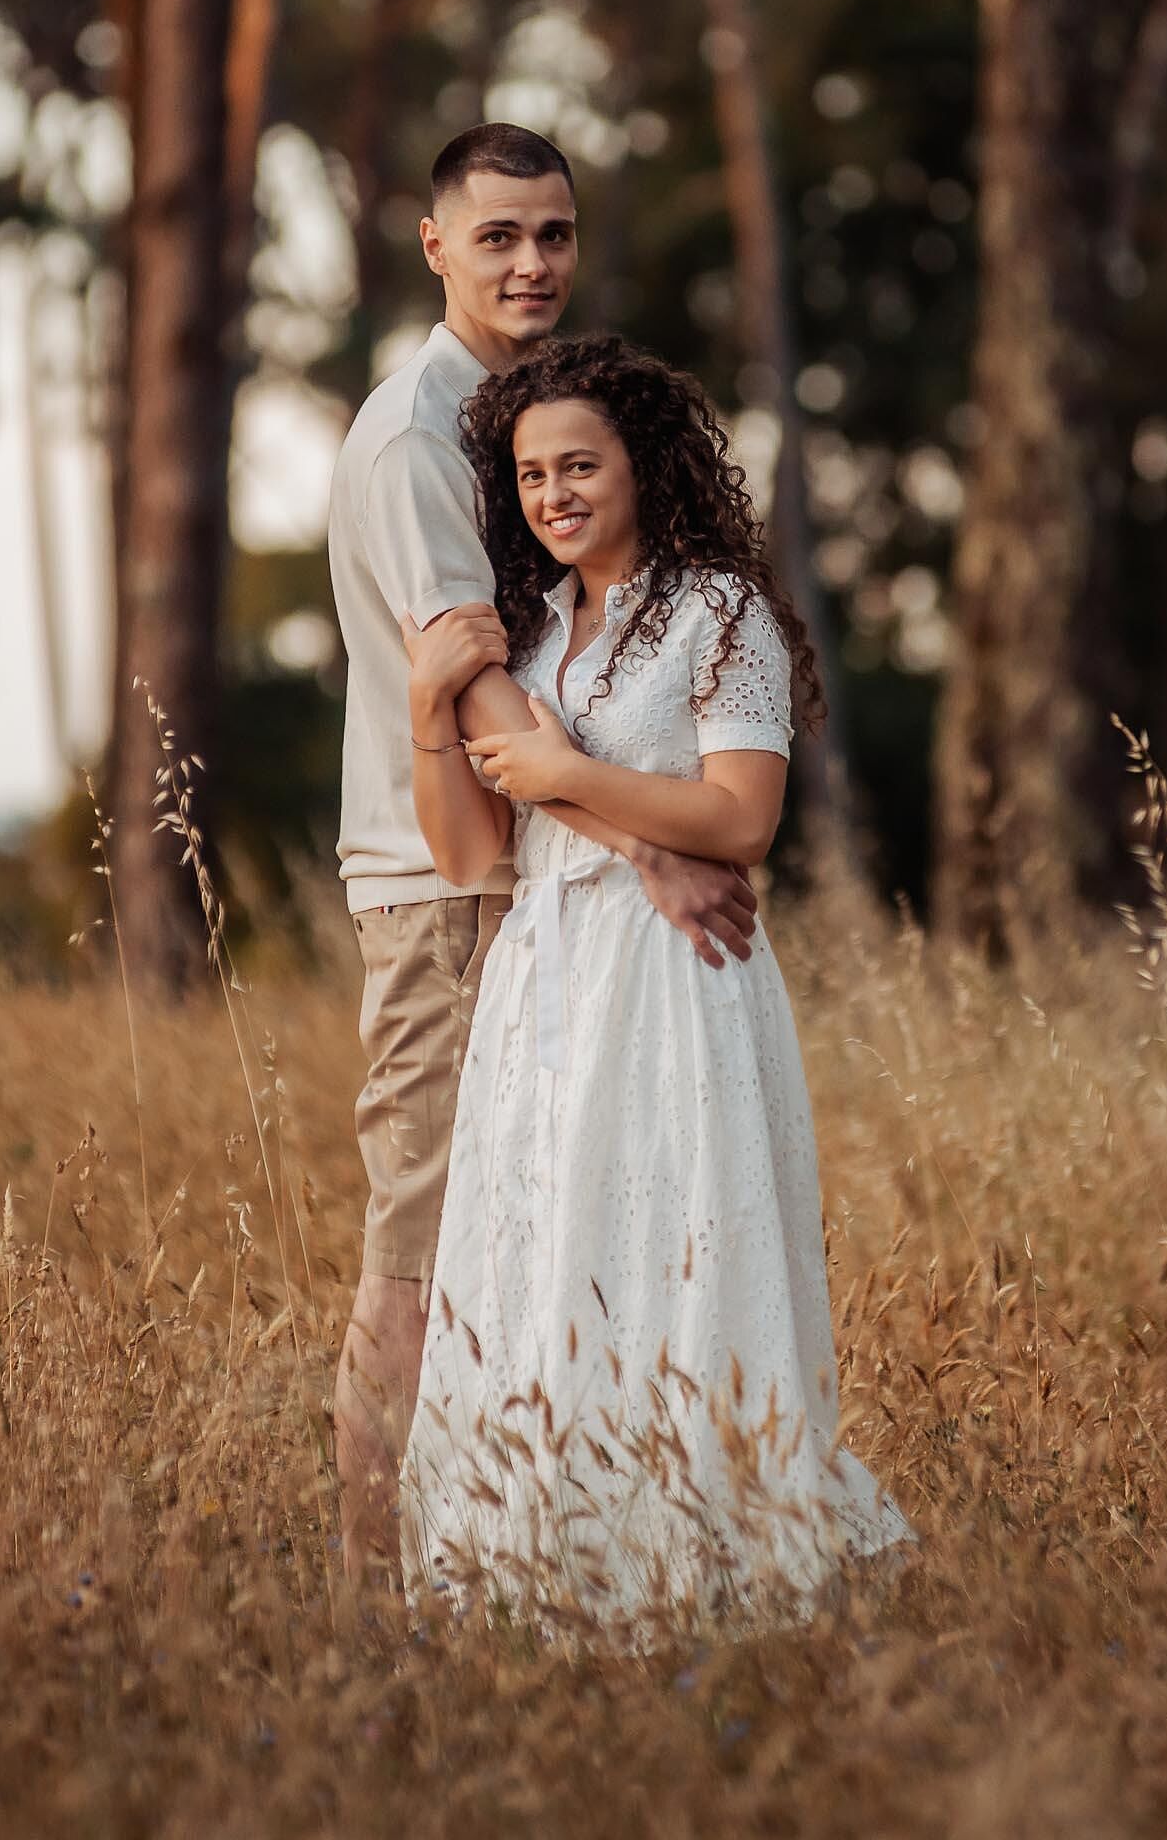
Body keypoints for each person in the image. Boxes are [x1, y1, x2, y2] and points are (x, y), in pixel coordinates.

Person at [398, 335, 911, 1624]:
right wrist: (429, 712)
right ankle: (552, 1569)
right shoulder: (521, 636)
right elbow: (471, 853)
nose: (556, 494)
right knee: (546, 1254)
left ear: (645, 465)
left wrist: (569, 775)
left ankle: (713, 1560)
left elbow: (740, 822)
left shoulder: (716, 612)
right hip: (542, 980)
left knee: (673, 1242)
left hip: (678, 977)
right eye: (529, 476)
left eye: (581, 464)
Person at [328, 127, 764, 1584]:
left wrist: (623, 841)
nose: (532, 263)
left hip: (545, 886)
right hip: (451, 891)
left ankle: (555, 1552)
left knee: (535, 1244)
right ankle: (375, 1598)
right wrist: (649, 845)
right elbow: (477, 688)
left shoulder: (522, 413)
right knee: (424, 1259)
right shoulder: (415, 435)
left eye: (555, 235)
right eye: (499, 235)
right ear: (435, 245)